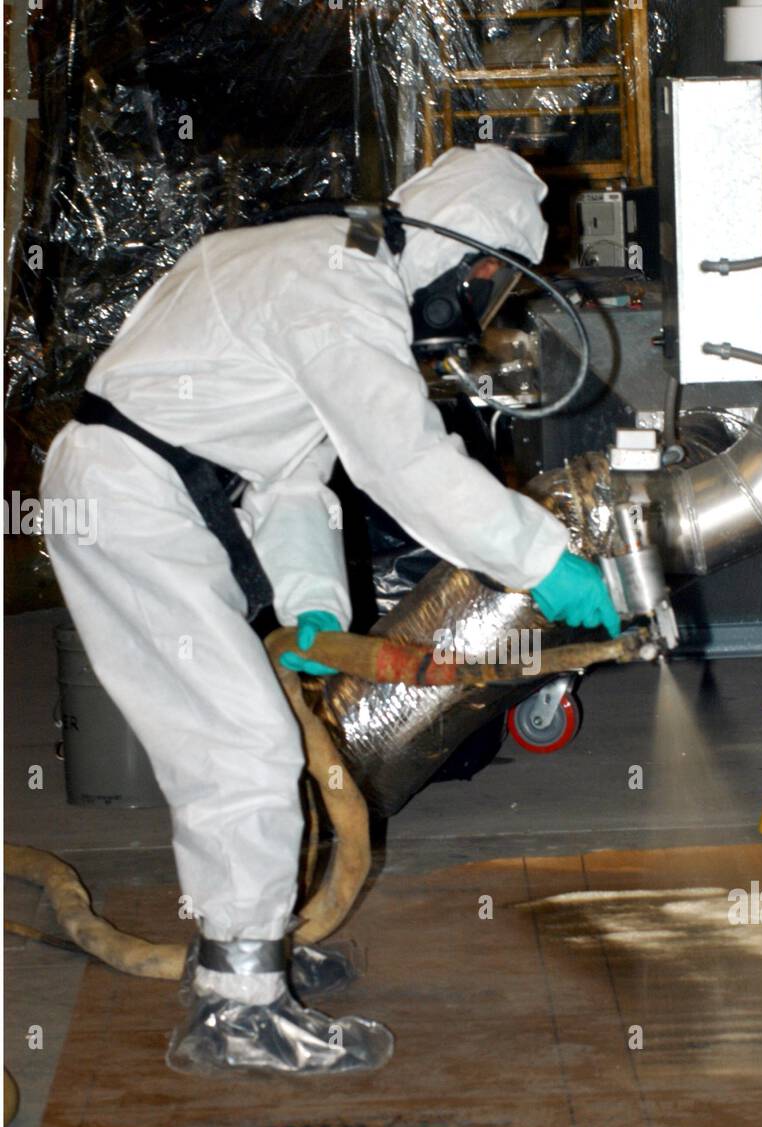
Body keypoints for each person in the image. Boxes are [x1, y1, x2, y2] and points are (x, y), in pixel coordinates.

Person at [41, 144, 619, 1076]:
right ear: (473, 262)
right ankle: (236, 1007)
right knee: (239, 746)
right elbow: (405, 464)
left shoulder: (326, 262)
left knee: (243, 738)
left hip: (155, 491)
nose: (476, 310)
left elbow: (294, 478)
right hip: (130, 500)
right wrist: (542, 560)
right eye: (488, 288)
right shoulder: (340, 287)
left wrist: (313, 610)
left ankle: (249, 941)